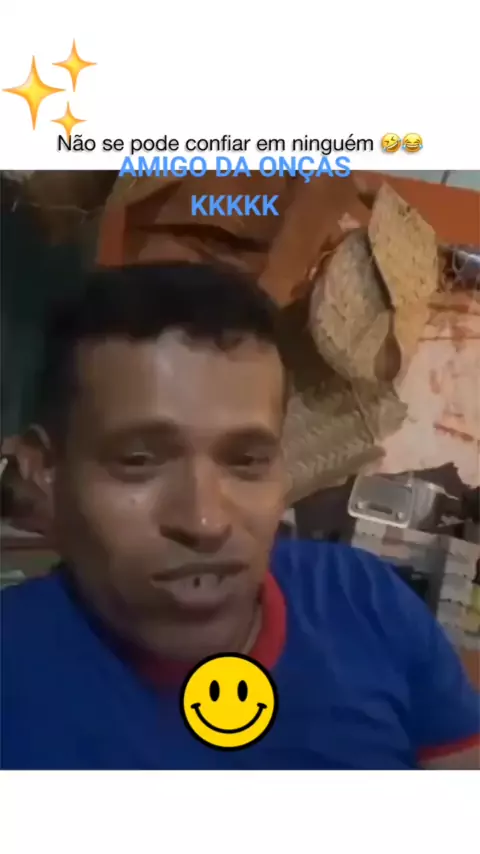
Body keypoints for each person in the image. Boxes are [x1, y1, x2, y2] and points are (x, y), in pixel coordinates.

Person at [1, 263, 478, 770]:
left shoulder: (363, 598)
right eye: (138, 461)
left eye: (247, 460)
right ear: (44, 472)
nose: (205, 522)